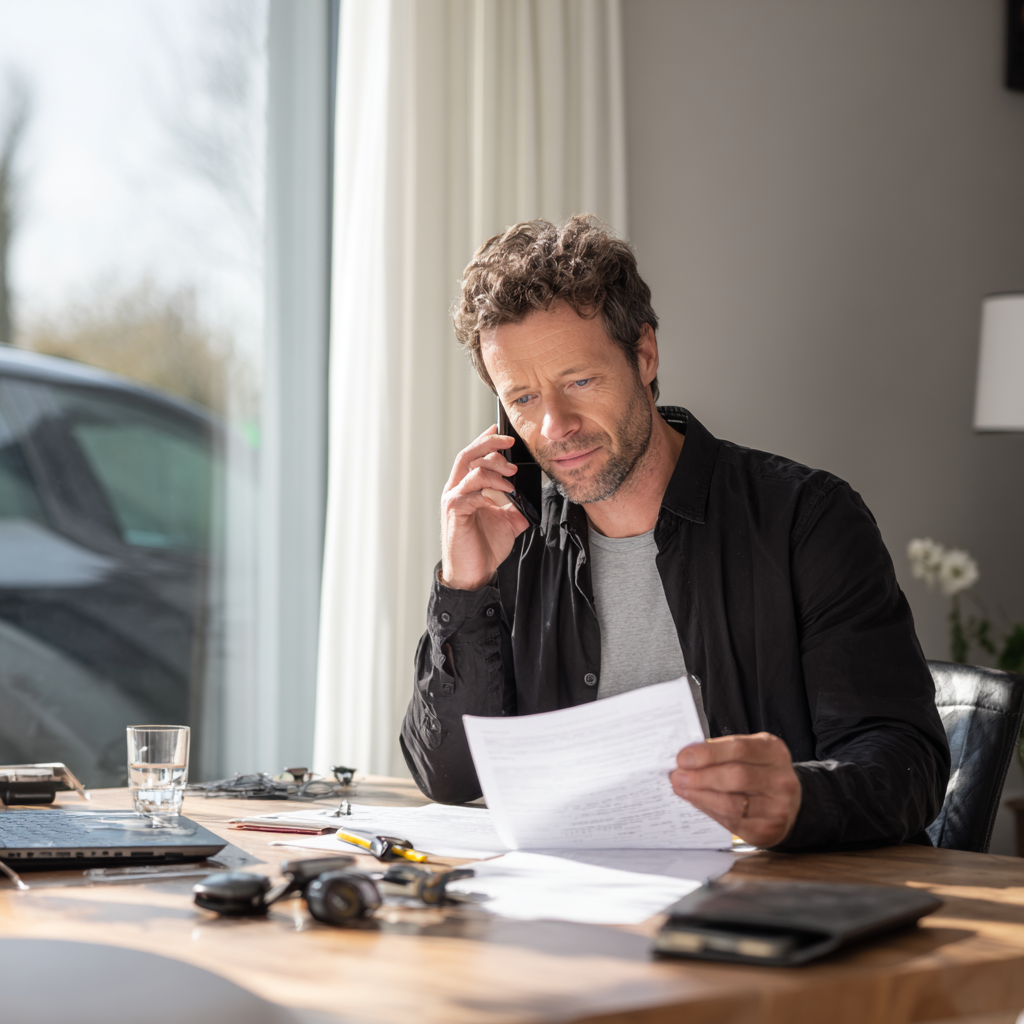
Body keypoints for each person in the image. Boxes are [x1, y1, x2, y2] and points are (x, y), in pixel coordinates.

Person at [400, 215, 950, 851]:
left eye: (579, 381)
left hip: (765, 910)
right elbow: (446, 777)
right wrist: (464, 587)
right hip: (580, 909)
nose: (554, 426)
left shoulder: (807, 518)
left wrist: (799, 799)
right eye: (522, 398)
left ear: (645, 354)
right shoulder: (510, 534)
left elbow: (905, 761)